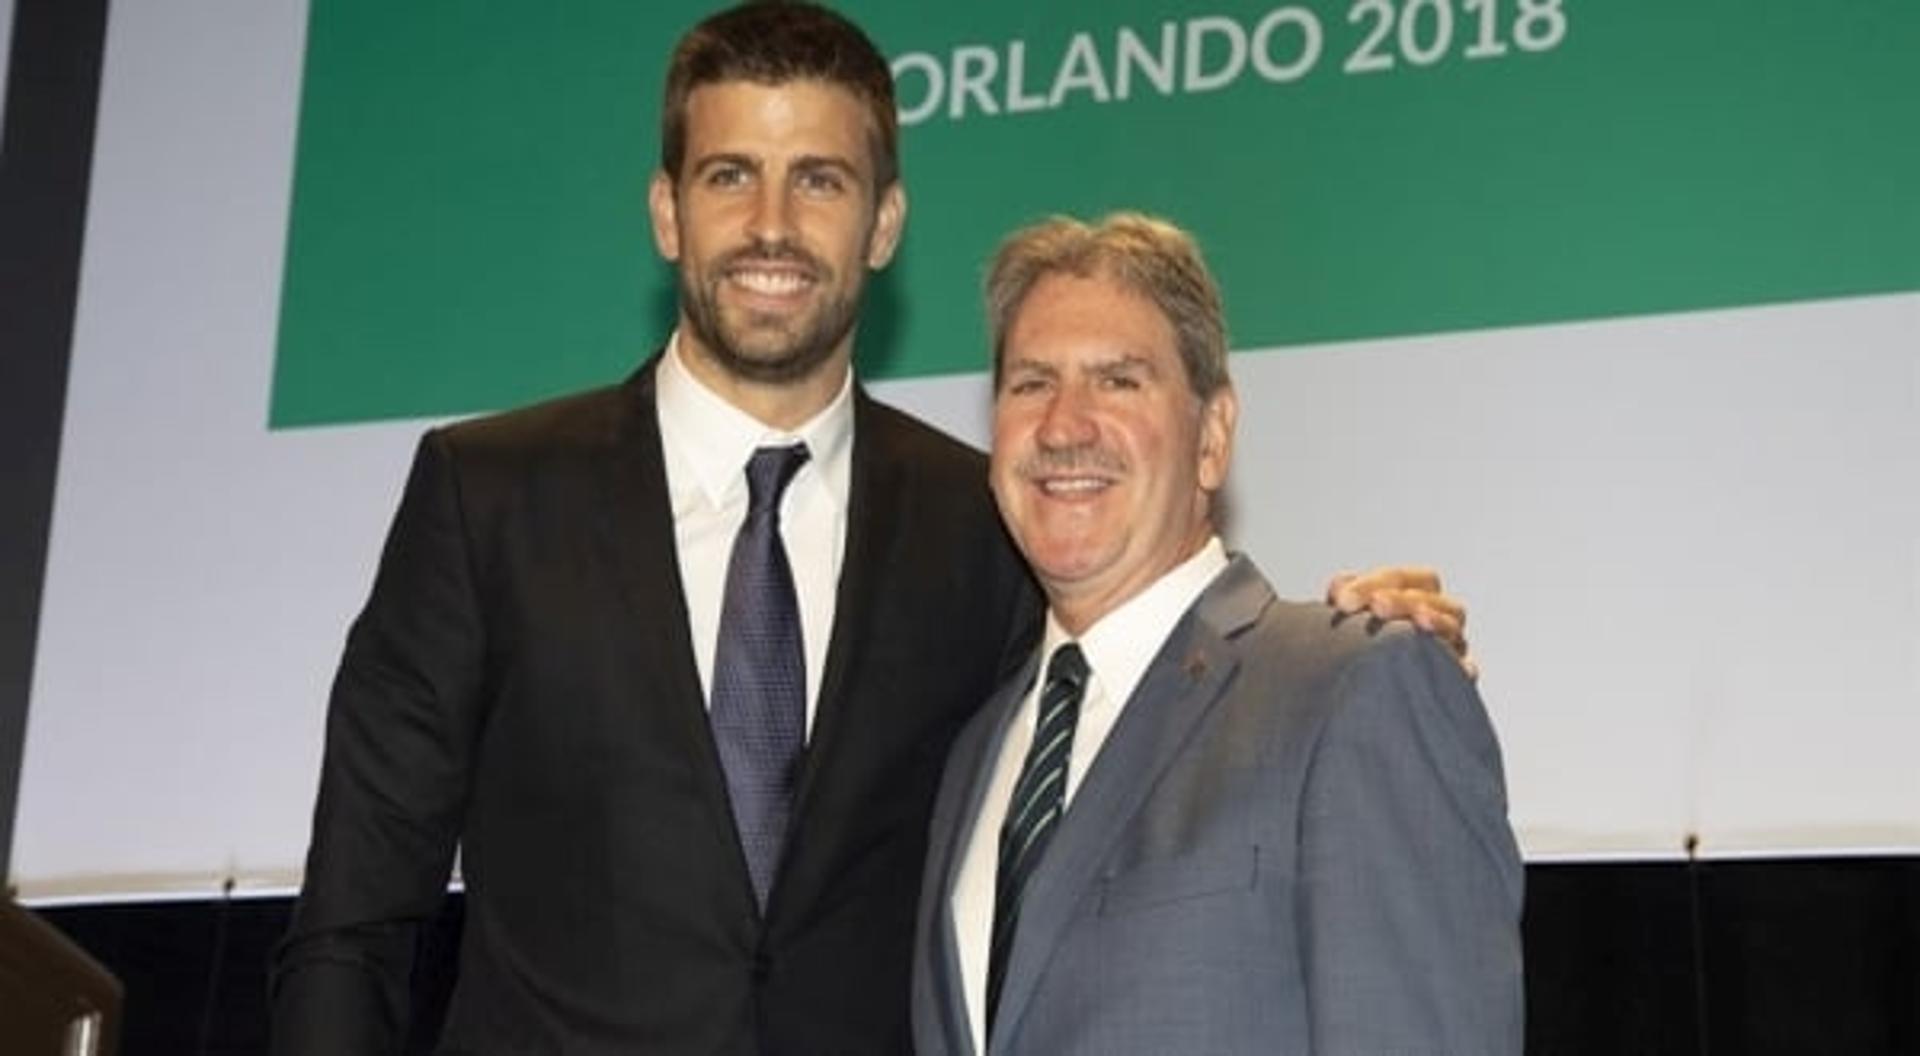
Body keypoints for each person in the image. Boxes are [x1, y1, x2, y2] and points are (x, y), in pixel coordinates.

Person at [271, 4, 1472, 1053]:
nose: (773, 227)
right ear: (666, 213)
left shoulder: (989, 519)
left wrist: (1346, 646)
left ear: (885, 224)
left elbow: (1137, 707)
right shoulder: (489, 497)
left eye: (823, 181)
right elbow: (354, 924)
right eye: (730, 175)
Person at [911, 214, 1523, 1055]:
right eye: (1030, 383)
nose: (1063, 425)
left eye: (1119, 381)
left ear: (1212, 437)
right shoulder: (975, 753)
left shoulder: (1351, 688)